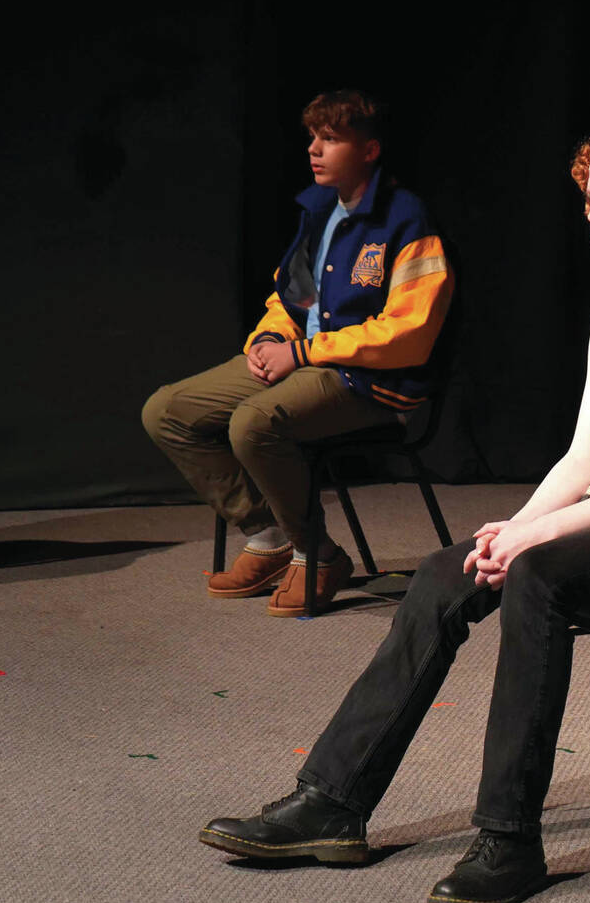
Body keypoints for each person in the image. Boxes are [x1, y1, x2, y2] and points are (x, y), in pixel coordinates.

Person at [199, 125, 590, 903]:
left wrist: (536, 540)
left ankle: (509, 838)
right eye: (589, 197)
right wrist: (508, 527)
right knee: (446, 568)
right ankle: (331, 800)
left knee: (540, 575)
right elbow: (587, 455)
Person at [140, 89, 453, 617]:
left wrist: (304, 353)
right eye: (312, 137)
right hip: (304, 359)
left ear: (370, 150)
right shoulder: (319, 211)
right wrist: (267, 340)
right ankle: (267, 538)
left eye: (330, 139)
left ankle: (318, 554)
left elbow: (410, 331)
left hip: (369, 381)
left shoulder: (406, 220)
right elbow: (293, 298)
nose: (314, 149)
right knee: (167, 411)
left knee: (252, 424)